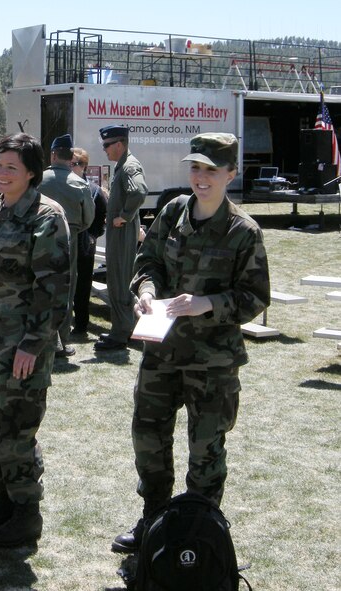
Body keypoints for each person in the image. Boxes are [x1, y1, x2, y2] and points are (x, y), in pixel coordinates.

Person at [111, 133, 270, 554]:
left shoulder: (243, 231)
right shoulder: (173, 212)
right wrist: (146, 290)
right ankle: (154, 521)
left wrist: (206, 303)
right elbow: (149, 263)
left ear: (231, 174)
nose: (201, 178)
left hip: (212, 362)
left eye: (212, 170)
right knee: (148, 439)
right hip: (161, 352)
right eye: (196, 168)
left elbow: (254, 298)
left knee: (205, 451)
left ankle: (200, 532)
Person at [0, 133, 70, 548]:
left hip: (21, 344)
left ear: (32, 173)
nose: (1, 174)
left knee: (15, 429)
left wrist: (32, 345)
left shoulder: (46, 217)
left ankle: (26, 514)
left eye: (11, 168)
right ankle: (1, 501)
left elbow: (54, 290)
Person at [37, 134, 94, 358]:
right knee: (66, 289)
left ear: (53, 154)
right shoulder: (79, 183)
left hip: (39, 235)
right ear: (71, 157)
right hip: (68, 238)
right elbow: (88, 219)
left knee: (39, 284)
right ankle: (62, 340)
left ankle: (41, 337)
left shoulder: (38, 179)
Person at [94, 125, 148, 352]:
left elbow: (139, 191)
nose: (105, 150)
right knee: (118, 280)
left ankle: (121, 333)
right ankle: (125, 329)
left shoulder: (129, 166)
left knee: (120, 282)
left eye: (107, 145)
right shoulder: (123, 165)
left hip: (123, 233)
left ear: (119, 144)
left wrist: (124, 216)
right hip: (120, 233)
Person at [70, 147, 108, 336]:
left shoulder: (94, 191)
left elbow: (102, 216)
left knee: (83, 285)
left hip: (85, 245)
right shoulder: (64, 187)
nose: (72, 167)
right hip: (65, 244)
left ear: (84, 166)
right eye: (70, 163)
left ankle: (81, 324)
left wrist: (93, 236)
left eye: (76, 164)